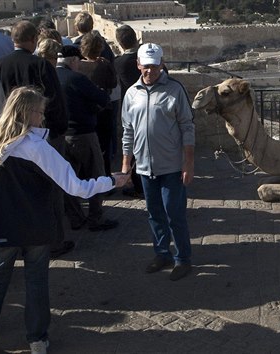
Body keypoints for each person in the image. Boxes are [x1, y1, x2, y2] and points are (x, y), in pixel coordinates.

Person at [0, 86, 128, 354]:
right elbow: (74, 186)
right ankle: (37, 339)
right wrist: (110, 181)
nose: (42, 118)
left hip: (1, 225)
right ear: (28, 112)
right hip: (34, 224)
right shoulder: (36, 148)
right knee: (36, 281)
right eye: (40, 112)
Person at [0, 20, 72, 258]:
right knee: (51, 187)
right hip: (40, 134)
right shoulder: (40, 65)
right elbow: (55, 101)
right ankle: (54, 240)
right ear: (33, 40)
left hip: (10, 137)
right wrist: (58, 129)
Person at [121, 43, 195, 281]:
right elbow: (128, 131)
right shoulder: (132, 93)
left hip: (171, 166)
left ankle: (183, 258)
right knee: (154, 214)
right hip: (144, 167)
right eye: (146, 66)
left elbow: (187, 127)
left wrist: (188, 163)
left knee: (174, 214)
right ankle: (161, 253)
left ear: (162, 65)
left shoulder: (175, 90)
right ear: (138, 65)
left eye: (154, 66)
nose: (150, 71)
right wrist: (125, 165)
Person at [56, 45, 117, 231]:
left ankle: (75, 218)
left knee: (66, 180)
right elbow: (102, 99)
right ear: (74, 60)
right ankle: (95, 218)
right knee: (96, 176)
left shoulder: (48, 77)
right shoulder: (76, 79)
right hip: (83, 135)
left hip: (60, 137)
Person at [78, 32, 117, 176]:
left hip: (85, 111)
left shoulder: (77, 67)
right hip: (103, 109)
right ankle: (105, 177)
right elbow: (113, 83)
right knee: (104, 147)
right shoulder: (104, 64)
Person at [114, 25, 144, 198]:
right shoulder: (145, 58)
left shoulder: (119, 62)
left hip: (131, 108)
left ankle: (138, 186)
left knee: (132, 146)